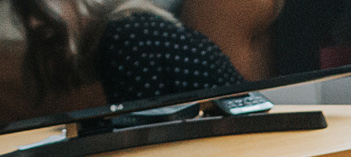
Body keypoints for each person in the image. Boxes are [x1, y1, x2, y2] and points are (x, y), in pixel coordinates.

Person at [13, 0, 242, 106]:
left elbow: (145, 130)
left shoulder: (123, 33)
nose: (33, 23)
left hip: (235, 141)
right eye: (26, 13)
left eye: (39, 7)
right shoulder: (118, 32)